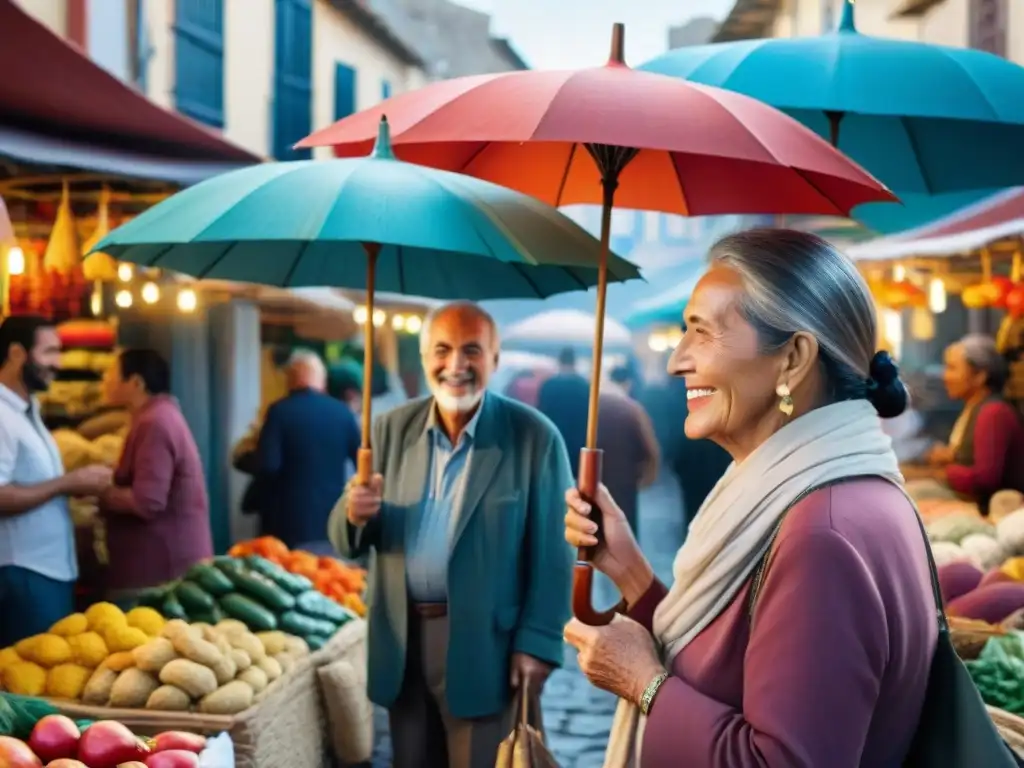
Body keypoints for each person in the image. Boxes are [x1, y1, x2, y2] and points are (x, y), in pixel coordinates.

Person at [562, 229, 937, 767]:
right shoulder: (834, 491)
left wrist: (643, 683)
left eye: (702, 333)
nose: (676, 361)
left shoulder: (820, 535)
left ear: (792, 359)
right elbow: (736, 666)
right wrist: (631, 575)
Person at [328, 301, 573, 768]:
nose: (456, 365)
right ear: (424, 359)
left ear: (494, 361)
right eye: (442, 350)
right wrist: (355, 514)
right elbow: (346, 540)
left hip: (487, 646)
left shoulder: (533, 437)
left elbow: (554, 554)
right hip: (401, 639)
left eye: (472, 351)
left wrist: (538, 642)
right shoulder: (388, 430)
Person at [0, 316, 113, 644]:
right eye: (49, 352)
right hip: (22, 572)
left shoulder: (27, 409)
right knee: (27, 685)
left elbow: (33, 484)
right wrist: (65, 484)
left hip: (50, 569)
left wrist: (75, 487)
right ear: (17, 353)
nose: (58, 363)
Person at [99, 349, 212, 604]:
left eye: (111, 374)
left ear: (136, 382)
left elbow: (148, 501)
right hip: (159, 569)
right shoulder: (155, 417)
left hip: (158, 574)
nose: (104, 380)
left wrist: (102, 491)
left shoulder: (155, 423)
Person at [910, 334, 1024, 514]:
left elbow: (984, 480)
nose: (945, 376)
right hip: (970, 500)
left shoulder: (994, 413)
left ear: (980, 375)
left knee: (912, 498)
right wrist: (950, 456)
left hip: (994, 511)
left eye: (952, 368)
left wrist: (941, 472)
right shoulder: (975, 407)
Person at [258, 350, 360, 551]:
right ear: (321, 381)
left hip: (289, 520)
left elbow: (269, 465)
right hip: (334, 517)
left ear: (291, 379)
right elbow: (363, 463)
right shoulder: (342, 413)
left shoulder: (279, 411)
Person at [598, 373, 659, 535]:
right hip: (624, 480)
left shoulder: (591, 406)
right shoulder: (632, 409)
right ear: (626, 383)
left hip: (594, 477)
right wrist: (648, 475)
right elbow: (650, 447)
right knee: (625, 526)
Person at [536, 346, 590, 476]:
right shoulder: (584, 385)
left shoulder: (549, 384)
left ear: (559, 361)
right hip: (579, 441)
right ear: (574, 362)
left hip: (554, 439)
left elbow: (541, 414)